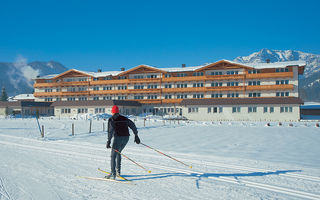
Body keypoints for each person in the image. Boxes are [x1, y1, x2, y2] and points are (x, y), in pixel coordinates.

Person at [105, 105, 140, 179]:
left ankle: (113, 174)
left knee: (113, 155)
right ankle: (118, 172)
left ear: (112, 112)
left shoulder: (111, 119)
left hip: (118, 138)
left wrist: (109, 141)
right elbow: (133, 125)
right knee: (119, 152)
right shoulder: (124, 118)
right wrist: (136, 135)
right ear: (118, 111)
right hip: (126, 138)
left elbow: (110, 132)